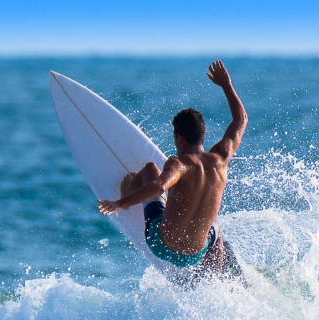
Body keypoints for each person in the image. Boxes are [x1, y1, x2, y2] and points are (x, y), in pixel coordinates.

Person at [97, 60, 248, 273]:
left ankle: (128, 189)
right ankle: (214, 276)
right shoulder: (222, 158)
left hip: (161, 246)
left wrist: (120, 203)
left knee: (150, 169)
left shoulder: (180, 164)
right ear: (202, 136)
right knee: (215, 229)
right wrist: (226, 84)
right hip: (195, 254)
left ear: (180, 139)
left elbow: (158, 187)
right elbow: (241, 119)